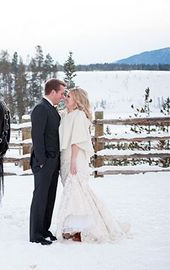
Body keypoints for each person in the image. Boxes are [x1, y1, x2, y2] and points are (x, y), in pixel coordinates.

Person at [56, 87, 128, 242]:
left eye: (69, 96)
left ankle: (77, 229)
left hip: (75, 158)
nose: (66, 98)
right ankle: (76, 226)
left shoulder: (80, 115)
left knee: (76, 191)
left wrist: (74, 161)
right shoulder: (66, 114)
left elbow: (76, 140)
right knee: (73, 192)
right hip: (65, 157)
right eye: (66, 95)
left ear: (77, 101)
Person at [29, 78, 66, 245]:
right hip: (43, 162)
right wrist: (42, 161)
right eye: (61, 93)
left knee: (49, 197)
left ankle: (44, 229)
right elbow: (37, 137)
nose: (62, 96)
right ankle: (35, 234)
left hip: (53, 161)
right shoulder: (40, 109)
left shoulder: (52, 109)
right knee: (40, 197)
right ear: (52, 92)